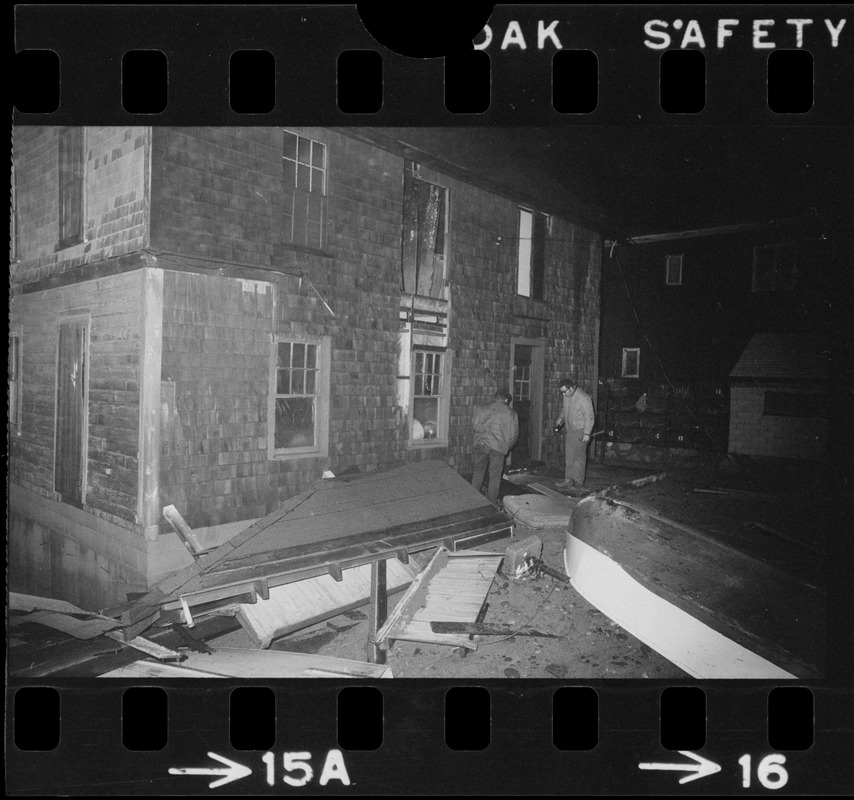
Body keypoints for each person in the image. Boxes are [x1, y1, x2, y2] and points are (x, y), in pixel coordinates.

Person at [471, 390, 519, 503]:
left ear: (496, 397)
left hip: (481, 444)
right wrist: (506, 447)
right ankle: (491, 503)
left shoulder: (481, 408)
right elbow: (513, 435)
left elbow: (475, 425)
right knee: (495, 477)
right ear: (506, 400)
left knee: (478, 473)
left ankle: (472, 499)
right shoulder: (511, 413)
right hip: (498, 448)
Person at [555, 377, 595, 489]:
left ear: (572, 388)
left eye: (564, 391)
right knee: (569, 456)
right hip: (570, 430)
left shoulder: (584, 398)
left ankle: (578, 482)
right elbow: (565, 409)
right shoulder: (567, 396)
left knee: (579, 457)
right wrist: (561, 418)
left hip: (581, 430)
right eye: (561, 392)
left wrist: (587, 433)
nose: (563, 394)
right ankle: (568, 480)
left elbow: (589, 417)